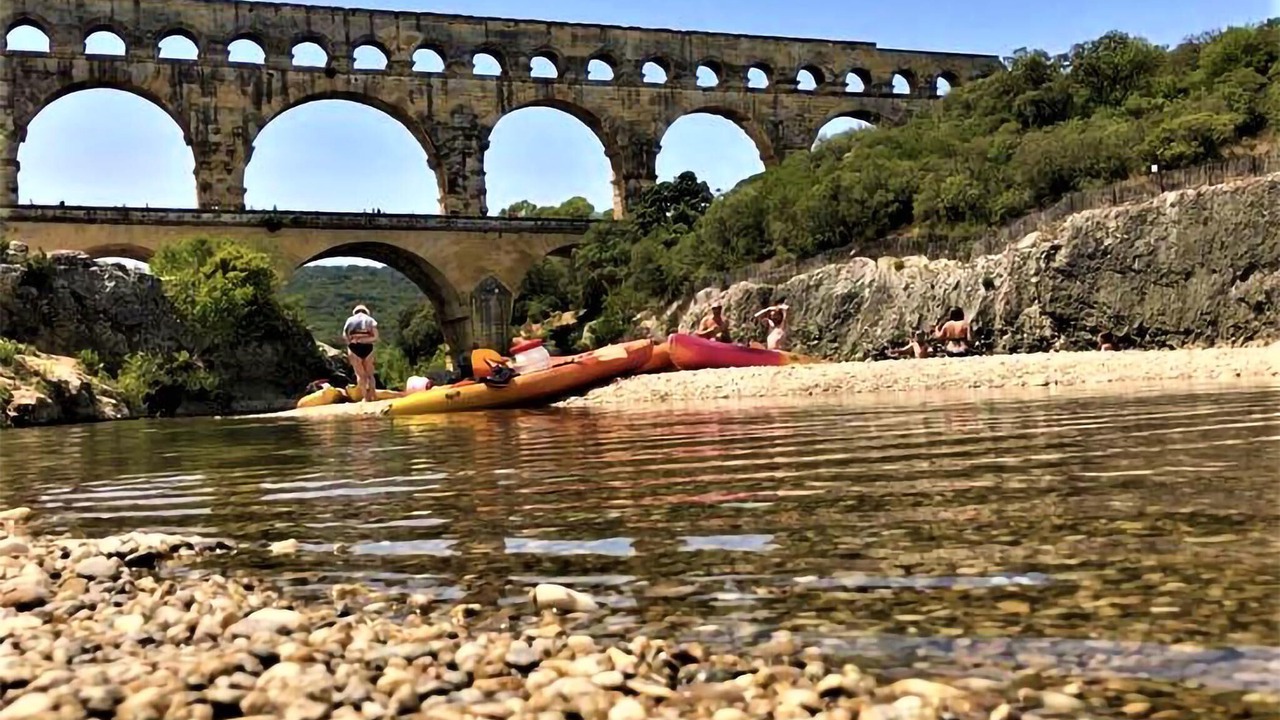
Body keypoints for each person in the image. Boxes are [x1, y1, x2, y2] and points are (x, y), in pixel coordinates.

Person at [342, 304, 379, 402]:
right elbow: (375, 337)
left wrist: (352, 342)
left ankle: (366, 397)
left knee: (360, 375)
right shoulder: (370, 320)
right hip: (368, 346)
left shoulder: (350, 320)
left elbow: (345, 335)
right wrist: (364, 340)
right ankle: (373, 395)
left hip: (354, 347)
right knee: (370, 374)